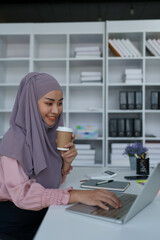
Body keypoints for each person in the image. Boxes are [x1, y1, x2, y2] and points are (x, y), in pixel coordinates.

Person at [0, 72, 121, 240]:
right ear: (30, 104)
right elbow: (23, 196)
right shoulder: (13, 140)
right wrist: (76, 195)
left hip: (43, 211)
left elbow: (50, 183)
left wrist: (65, 163)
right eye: (49, 103)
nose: (56, 111)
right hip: (16, 221)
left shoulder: (46, 135)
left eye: (60, 103)